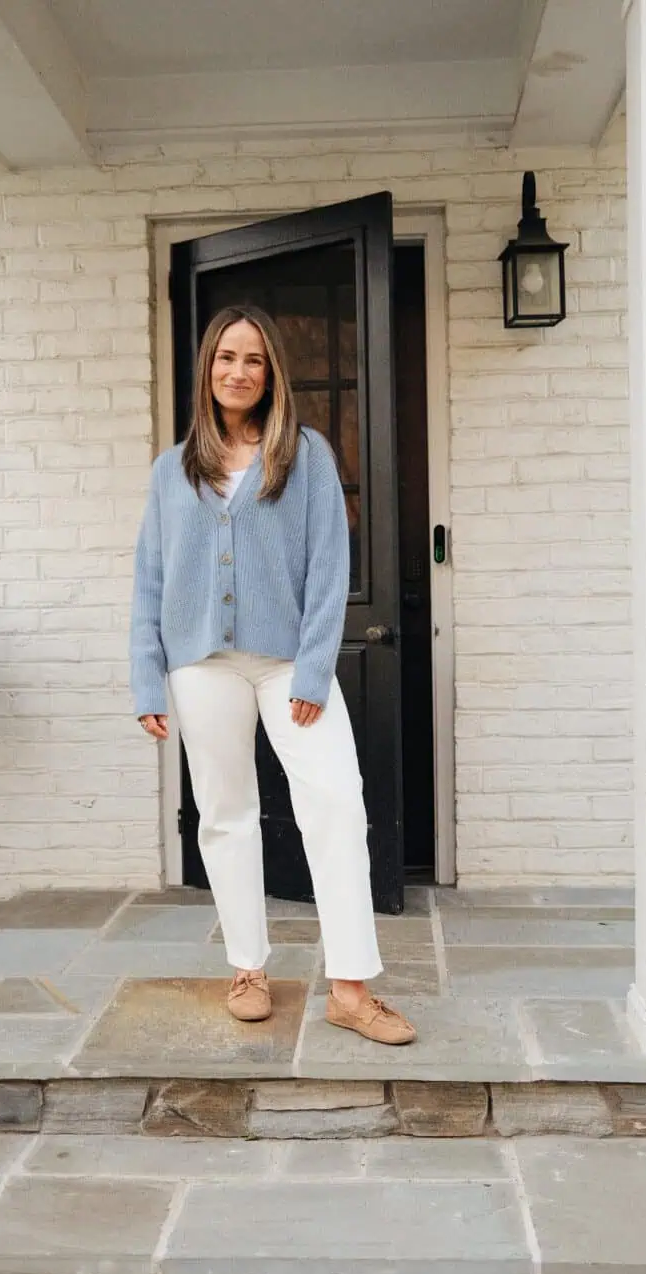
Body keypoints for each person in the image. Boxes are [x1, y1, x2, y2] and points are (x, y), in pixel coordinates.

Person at [130, 305, 415, 1046]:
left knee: (335, 804)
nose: (238, 371)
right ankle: (247, 966)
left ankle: (351, 988)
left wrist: (315, 669)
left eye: (253, 359)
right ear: (207, 368)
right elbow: (150, 582)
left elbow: (329, 567)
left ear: (270, 372)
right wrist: (145, 678)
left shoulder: (307, 454)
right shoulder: (173, 468)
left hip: (287, 659)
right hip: (199, 662)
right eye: (226, 357)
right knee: (224, 813)